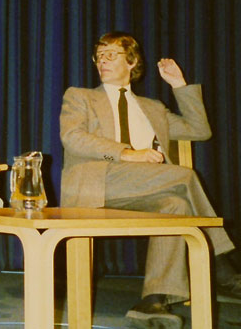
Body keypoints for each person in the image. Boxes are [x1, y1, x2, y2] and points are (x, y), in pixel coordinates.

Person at [60, 31, 241, 329]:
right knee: (184, 177)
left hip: (145, 187)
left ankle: (153, 299)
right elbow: (73, 138)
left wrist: (179, 86)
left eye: (111, 55)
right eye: (99, 55)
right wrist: (126, 152)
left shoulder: (153, 108)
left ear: (131, 62)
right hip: (98, 182)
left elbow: (200, 130)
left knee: (176, 205)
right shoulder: (81, 96)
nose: (102, 61)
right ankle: (220, 264)